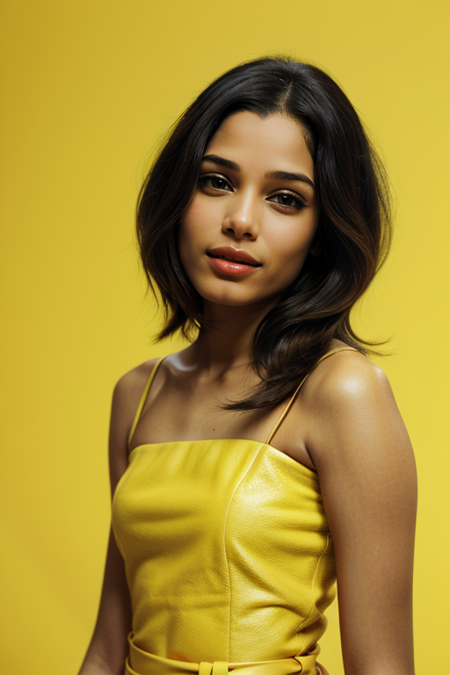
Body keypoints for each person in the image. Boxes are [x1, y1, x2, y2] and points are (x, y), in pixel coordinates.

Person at [77, 57, 417, 675]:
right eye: (216, 181)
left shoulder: (343, 391)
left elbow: (384, 665)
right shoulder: (137, 394)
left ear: (321, 230)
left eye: (286, 198)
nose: (241, 219)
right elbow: (106, 647)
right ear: (179, 193)